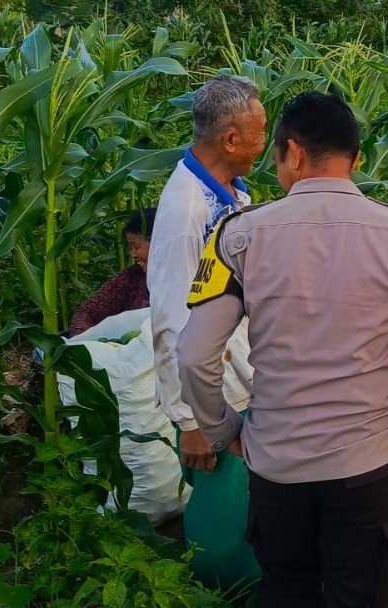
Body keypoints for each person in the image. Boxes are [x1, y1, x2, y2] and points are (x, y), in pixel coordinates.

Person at [177, 91, 388, 608]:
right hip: (371, 468)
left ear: (292, 152)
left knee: (287, 592)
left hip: (277, 470)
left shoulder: (236, 236)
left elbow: (195, 357)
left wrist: (226, 433)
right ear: (356, 161)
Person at [146, 75, 266, 587]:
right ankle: (220, 594)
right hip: (211, 399)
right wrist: (188, 419)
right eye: (261, 133)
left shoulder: (231, 193)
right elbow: (171, 319)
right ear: (231, 139)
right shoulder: (185, 211)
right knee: (221, 530)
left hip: (238, 382)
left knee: (246, 514)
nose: (268, 143)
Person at [69, 208, 155, 336]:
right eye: (130, 248)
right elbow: (88, 312)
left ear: (158, 242)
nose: (133, 254)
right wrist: (85, 343)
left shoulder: (189, 281)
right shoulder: (131, 277)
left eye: (136, 247)